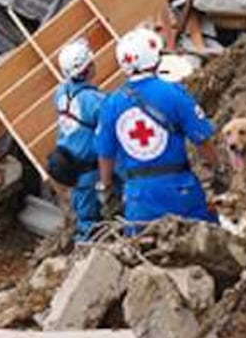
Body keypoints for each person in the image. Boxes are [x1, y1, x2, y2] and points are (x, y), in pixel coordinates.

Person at [96, 28, 225, 229]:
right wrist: (219, 169)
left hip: (138, 198)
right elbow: (202, 140)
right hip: (180, 191)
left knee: (141, 253)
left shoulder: (110, 104)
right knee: (209, 242)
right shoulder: (174, 94)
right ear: (155, 58)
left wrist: (106, 188)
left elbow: (105, 154)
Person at [53, 39, 107, 241]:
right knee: (88, 216)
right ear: (87, 69)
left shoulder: (60, 92)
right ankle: (86, 248)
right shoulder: (93, 101)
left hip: (68, 162)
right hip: (87, 167)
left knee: (81, 204)